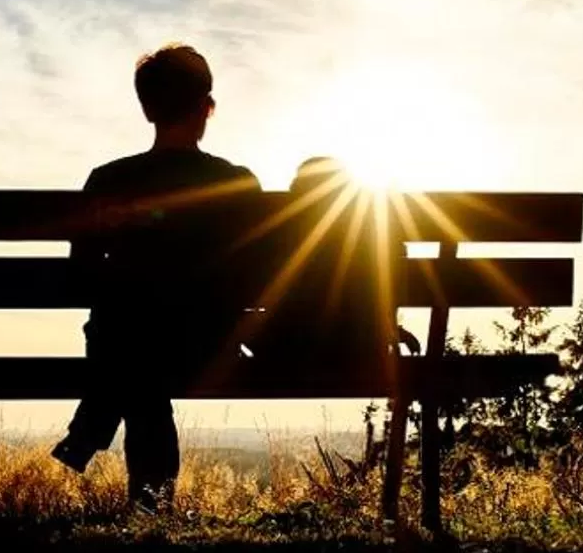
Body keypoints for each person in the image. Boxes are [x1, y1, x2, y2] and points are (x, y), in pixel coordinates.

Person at [51, 44, 260, 508]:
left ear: (146, 109)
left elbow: (80, 271)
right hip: (206, 344)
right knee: (143, 355)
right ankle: (147, 501)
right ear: (208, 108)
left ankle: (99, 441)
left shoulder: (108, 180)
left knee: (135, 349)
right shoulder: (237, 182)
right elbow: (257, 273)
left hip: (120, 342)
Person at [242, 156, 408, 389]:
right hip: (362, 352)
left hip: (290, 350)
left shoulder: (281, 230)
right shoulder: (375, 227)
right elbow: (393, 284)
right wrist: (390, 329)